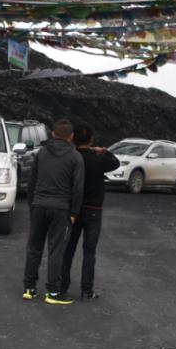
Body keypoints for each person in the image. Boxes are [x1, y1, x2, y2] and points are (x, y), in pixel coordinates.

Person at [22, 118, 83, 305]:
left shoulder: (41, 153)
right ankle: (53, 292)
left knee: (34, 248)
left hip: (39, 205)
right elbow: (78, 188)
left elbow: (32, 182)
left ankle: (29, 288)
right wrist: (74, 212)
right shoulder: (75, 157)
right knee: (56, 250)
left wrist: (32, 205)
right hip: (61, 209)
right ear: (71, 136)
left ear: (53, 134)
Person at [60, 124, 120, 300]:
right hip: (94, 210)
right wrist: (104, 151)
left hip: (73, 210)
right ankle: (87, 290)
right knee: (89, 251)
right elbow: (115, 162)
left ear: (73, 138)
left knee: (68, 249)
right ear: (91, 140)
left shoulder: (72, 157)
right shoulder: (97, 159)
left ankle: (62, 286)